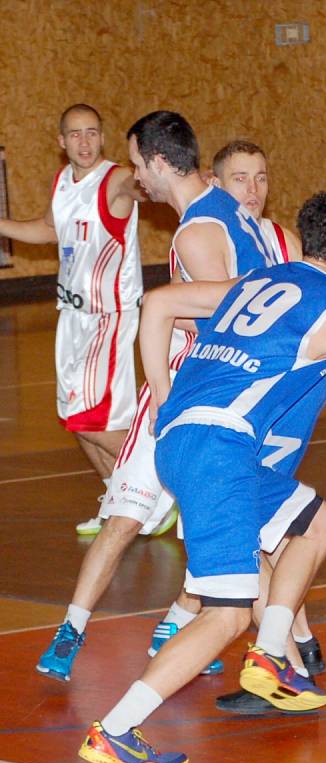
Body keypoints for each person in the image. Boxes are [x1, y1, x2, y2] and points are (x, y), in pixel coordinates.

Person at [77, 188, 326, 763]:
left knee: (315, 522)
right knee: (227, 613)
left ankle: (270, 654)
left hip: (182, 442)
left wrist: (161, 393)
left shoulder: (256, 282)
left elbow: (158, 303)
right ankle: (116, 728)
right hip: (220, 449)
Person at [35, 111, 273, 683]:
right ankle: (77, 626)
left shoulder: (196, 232)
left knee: (217, 528)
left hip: (200, 392)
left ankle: (256, 642)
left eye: (140, 163)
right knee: (128, 514)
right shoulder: (221, 210)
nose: (136, 175)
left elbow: (228, 315)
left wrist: (170, 358)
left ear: (162, 163)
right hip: (204, 389)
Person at [147, 140, 326, 716]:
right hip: (248, 399)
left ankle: (282, 658)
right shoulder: (220, 233)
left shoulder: (279, 238)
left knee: (259, 527)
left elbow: (220, 315)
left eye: (262, 177)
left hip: (256, 403)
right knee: (270, 527)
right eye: (240, 179)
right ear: (217, 186)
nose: (253, 189)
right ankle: (295, 647)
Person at [0, 104, 143, 534]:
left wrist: (178, 181)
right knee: (73, 419)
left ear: (103, 137)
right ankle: (118, 500)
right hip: (72, 316)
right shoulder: (63, 182)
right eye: (75, 134)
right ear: (61, 142)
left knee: (91, 421)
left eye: (92, 133)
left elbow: (142, 186)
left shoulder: (115, 180)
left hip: (107, 316)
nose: (85, 142)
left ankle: (156, 495)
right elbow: (48, 229)